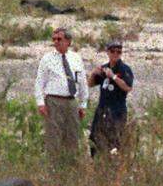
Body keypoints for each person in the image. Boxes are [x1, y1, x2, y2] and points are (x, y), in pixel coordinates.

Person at [35, 26, 87, 162]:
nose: (56, 42)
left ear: (68, 41)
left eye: (59, 39)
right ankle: (53, 166)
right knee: (54, 136)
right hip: (54, 101)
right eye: (54, 39)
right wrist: (40, 103)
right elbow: (39, 82)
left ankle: (70, 165)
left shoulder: (76, 58)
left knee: (72, 135)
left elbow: (82, 81)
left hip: (71, 101)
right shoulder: (47, 59)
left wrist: (83, 104)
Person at [87, 40, 134, 155]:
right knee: (95, 137)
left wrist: (113, 77)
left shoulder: (124, 69)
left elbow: (128, 87)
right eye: (113, 51)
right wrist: (93, 73)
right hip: (102, 109)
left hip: (117, 110)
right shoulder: (104, 68)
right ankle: (97, 161)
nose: (115, 54)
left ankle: (113, 162)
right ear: (107, 52)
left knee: (114, 140)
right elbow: (90, 84)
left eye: (119, 52)